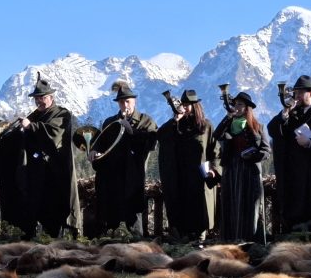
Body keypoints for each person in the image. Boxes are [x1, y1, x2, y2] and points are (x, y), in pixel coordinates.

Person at [0, 75, 81, 238]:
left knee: (53, 216)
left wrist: (31, 126)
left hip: (54, 176)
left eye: (42, 97)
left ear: (51, 97)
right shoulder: (34, 115)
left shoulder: (61, 114)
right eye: (36, 98)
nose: (39, 101)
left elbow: (53, 135)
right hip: (35, 176)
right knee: (32, 213)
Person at [267, 74, 311, 234]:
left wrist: (310, 143)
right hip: (293, 174)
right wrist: (284, 113)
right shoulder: (291, 113)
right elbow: (273, 130)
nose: (296, 96)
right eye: (296, 92)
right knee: (293, 212)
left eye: (301, 93)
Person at [91, 81, 157, 236]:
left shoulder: (145, 121)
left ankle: (137, 245)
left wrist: (132, 131)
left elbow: (151, 142)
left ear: (134, 101)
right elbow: (100, 144)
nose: (125, 104)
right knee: (112, 214)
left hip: (133, 176)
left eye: (127, 101)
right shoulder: (110, 122)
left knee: (133, 215)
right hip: (112, 178)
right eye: (121, 102)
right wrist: (94, 152)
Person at [157, 89, 217, 244]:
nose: (186, 108)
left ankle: (200, 239)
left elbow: (215, 151)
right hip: (180, 178)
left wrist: (214, 169)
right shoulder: (175, 126)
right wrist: (175, 120)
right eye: (184, 104)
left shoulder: (206, 126)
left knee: (200, 213)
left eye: (189, 105)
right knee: (181, 210)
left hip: (200, 178)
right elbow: (160, 136)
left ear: (196, 106)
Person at [209, 90, 269, 242]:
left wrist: (252, 155)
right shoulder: (228, 126)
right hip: (231, 171)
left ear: (247, 107)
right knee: (231, 204)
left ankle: (250, 241)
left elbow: (266, 151)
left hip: (250, 172)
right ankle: (230, 240)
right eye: (235, 104)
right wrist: (227, 117)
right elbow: (216, 135)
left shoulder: (258, 127)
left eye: (240, 104)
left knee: (250, 207)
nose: (237, 107)